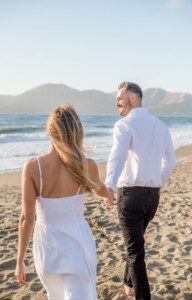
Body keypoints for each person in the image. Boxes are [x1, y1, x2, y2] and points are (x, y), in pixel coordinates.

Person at [15, 103, 113, 300]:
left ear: (49, 132)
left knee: (55, 296)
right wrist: (110, 196)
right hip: (77, 243)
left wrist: (20, 261)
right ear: (78, 131)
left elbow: (27, 218)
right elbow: (101, 189)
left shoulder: (33, 167)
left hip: (46, 247)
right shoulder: (87, 165)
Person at [105, 81, 176, 300]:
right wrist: (157, 181)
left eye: (120, 97)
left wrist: (108, 185)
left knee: (135, 250)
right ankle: (128, 283)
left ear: (133, 98)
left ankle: (142, 296)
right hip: (152, 197)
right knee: (135, 242)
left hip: (131, 196)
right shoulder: (160, 126)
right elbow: (170, 162)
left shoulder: (124, 125)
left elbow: (117, 157)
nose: (117, 101)